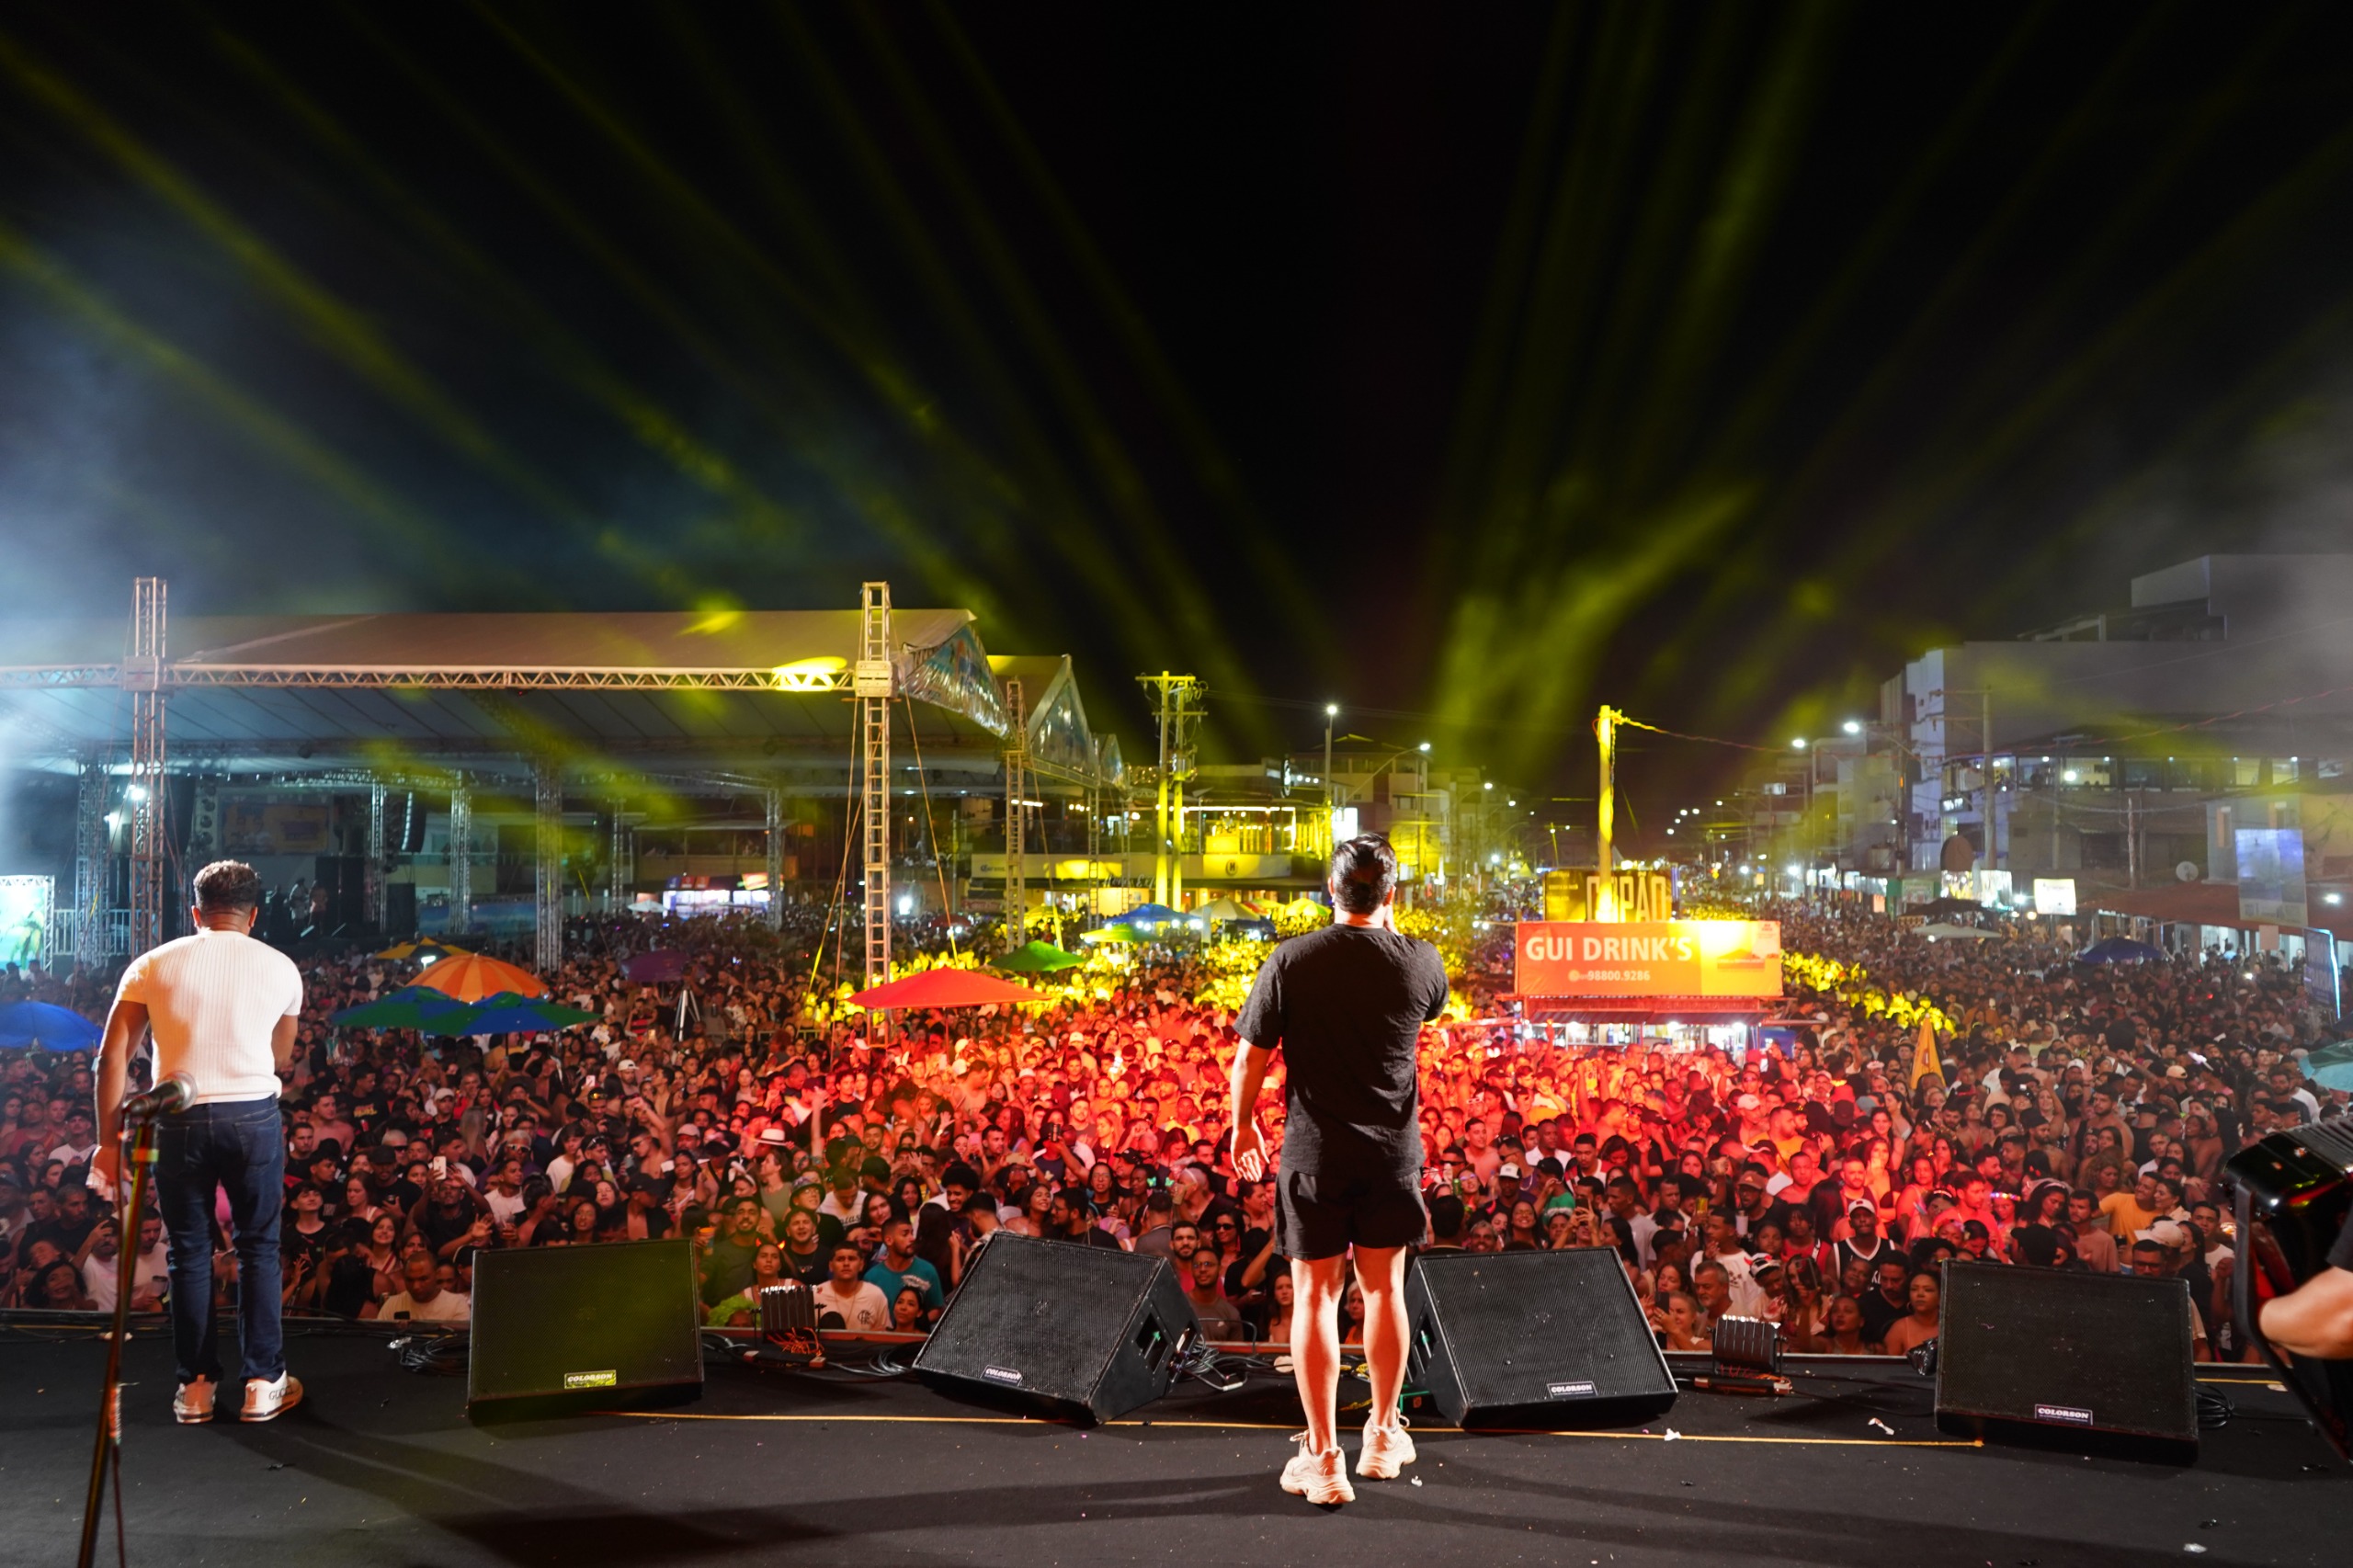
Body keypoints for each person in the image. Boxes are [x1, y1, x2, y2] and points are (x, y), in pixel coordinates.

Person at [1231, 835, 1448, 1505]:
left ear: (1329, 890)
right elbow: (1426, 1003)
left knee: (1317, 1297)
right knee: (1383, 1291)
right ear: (1391, 895)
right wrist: (1392, 924)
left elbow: (1251, 1059)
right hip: (1390, 1154)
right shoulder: (1421, 961)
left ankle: (1324, 1459)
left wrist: (1242, 1125)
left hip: (1314, 1153)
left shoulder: (1292, 960)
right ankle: (1383, 1436)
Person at [93, 859, 305, 1424]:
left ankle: (196, 1390)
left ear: (194, 911)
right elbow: (280, 1058)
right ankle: (263, 1382)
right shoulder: (282, 967)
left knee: (188, 1255)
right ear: (254, 914)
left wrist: (108, 1143)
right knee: (258, 1248)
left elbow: (111, 1058)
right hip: (252, 1116)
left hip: (178, 1115)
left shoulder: (152, 963)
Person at [811, 1243, 891, 1330]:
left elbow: (884, 1334)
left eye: (851, 1259)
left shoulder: (876, 1295)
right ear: (831, 1266)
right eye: (840, 1259)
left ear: (861, 1265)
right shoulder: (816, 1294)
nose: (846, 1263)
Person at [377, 1251, 470, 1323]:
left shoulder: (457, 1304)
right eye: (410, 1280)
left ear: (436, 1275)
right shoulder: (391, 1305)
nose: (416, 1286)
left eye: (423, 1279)